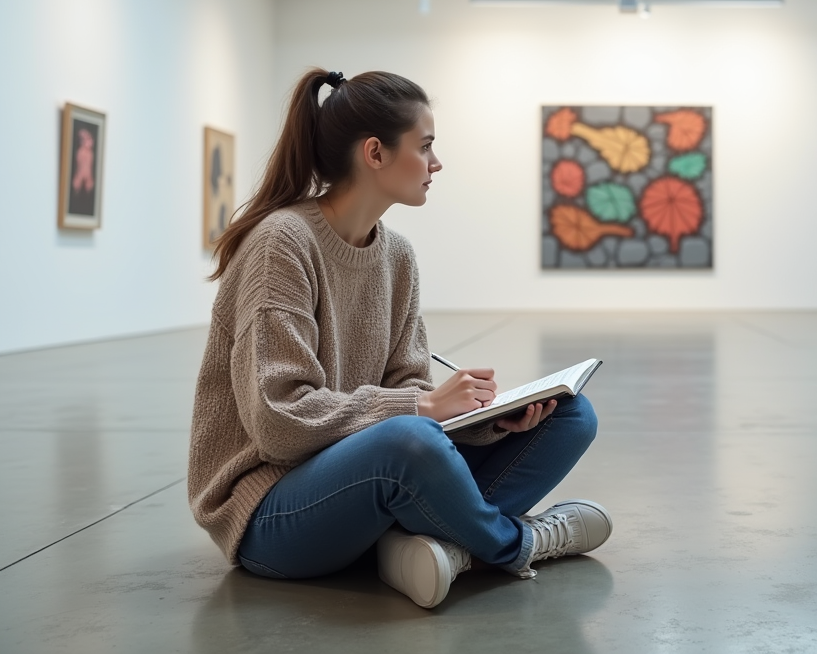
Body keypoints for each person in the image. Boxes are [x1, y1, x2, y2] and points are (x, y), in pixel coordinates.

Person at [188, 68, 611, 609]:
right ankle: (514, 543)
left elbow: (409, 389)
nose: (437, 164)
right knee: (410, 443)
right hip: (271, 515)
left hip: (361, 485)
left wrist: (485, 421)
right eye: (426, 146)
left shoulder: (397, 256)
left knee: (572, 416)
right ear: (375, 153)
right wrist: (424, 405)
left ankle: (439, 548)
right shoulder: (281, 244)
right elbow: (278, 422)